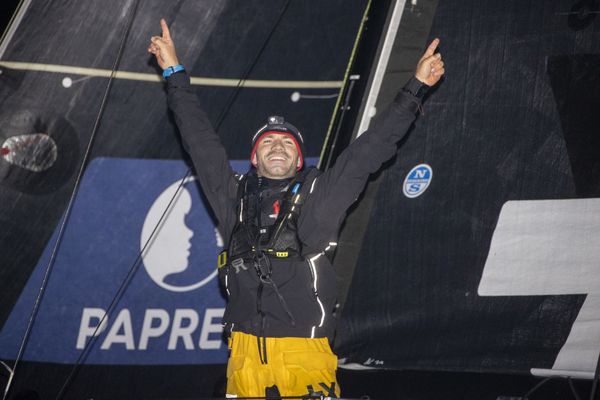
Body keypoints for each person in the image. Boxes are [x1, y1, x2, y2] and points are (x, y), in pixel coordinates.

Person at [148, 18, 444, 398]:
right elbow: (199, 139)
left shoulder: (321, 194)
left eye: (287, 143)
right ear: (254, 158)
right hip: (242, 359)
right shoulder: (233, 197)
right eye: (268, 141)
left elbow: (370, 150)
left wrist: (415, 89)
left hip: (303, 357)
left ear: (299, 159)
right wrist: (173, 71)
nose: (277, 146)